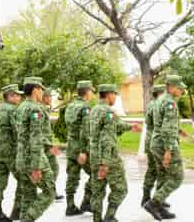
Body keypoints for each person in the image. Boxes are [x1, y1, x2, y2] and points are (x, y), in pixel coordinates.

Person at [89, 84, 135, 222]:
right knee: (121, 189)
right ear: (109, 94)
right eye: (115, 94)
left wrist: (130, 127)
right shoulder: (108, 112)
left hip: (94, 155)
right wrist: (105, 163)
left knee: (97, 190)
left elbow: (116, 125)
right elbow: (107, 139)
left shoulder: (95, 110)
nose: (115, 97)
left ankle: (96, 219)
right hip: (108, 158)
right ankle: (109, 216)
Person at [144, 75, 187, 221]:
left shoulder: (160, 100)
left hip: (155, 143)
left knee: (162, 175)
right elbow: (167, 129)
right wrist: (168, 151)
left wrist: (178, 130)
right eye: (179, 87)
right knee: (177, 177)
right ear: (171, 87)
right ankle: (154, 202)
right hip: (165, 144)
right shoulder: (170, 103)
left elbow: (163, 123)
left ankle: (160, 207)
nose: (181, 90)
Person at [16, 77, 55, 222]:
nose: (43, 92)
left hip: (21, 158)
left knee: (28, 195)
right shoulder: (35, 109)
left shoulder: (20, 107)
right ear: (35, 90)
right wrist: (37, 166)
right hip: (33, 158)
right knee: (49, 192)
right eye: (41, 89)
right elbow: (35, 138)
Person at [0, 84, 24, 222]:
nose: (19, 97)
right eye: (17, 95)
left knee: (0, 182)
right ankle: (17, 210)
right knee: (24, 179)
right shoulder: (13, 110)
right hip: (11, 151)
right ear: (10, 96)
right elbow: (18, 132)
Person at [64, 80, 95, 216]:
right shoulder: (85, 108)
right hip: (81, 148)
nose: (92, 94)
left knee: (72, 177)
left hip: (71, 147)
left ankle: (70, 206)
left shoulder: (70, 106)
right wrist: (83, 151)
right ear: (87, 91)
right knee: (98, 173)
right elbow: (85, 130)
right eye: (91, 91)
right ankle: (86, 202)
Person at [141, 84, 166, 207]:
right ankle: (158, 199)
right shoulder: (159, 104)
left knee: (152, 169)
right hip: (157, 139)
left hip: (149, 138)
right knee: (162, 170)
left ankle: (146, 197)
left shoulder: (150, 104)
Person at [40, 87, 63, 201]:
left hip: (48, 143)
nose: (51, 99)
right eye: (49, 97)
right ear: (44, 98)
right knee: (52, 168)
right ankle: (49, 191)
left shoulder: (44, 108)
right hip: (44, 144)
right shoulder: (40, 109)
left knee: (53, 168)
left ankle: (50, 191)